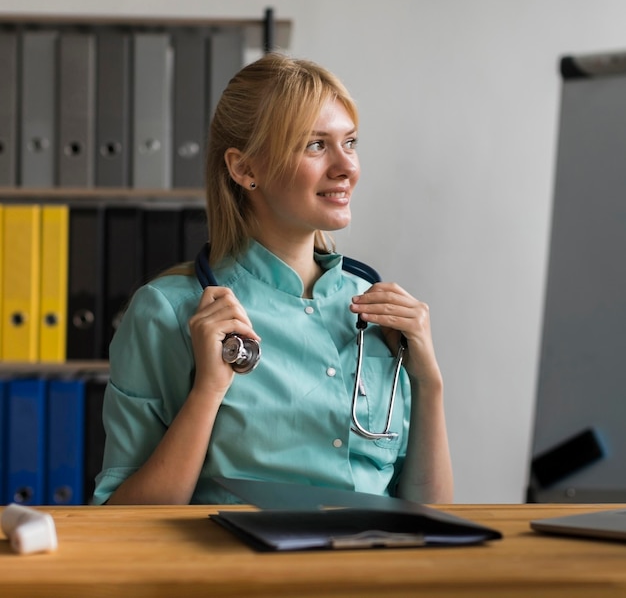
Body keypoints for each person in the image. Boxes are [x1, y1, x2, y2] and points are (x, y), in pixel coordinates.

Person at [93, 52, 453, 506]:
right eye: (316, 145)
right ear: (245, 169)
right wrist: (208, 391)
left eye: (351, 142)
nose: (347, 167)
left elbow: (428, 514)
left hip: (369, 570)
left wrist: (428, 382)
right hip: (240, 573)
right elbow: (121, 519)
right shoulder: (169, 312)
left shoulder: (379, 311)